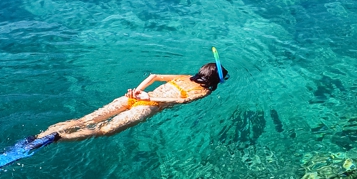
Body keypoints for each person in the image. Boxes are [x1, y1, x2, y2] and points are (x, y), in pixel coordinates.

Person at [36, 62, 228, 141]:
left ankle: (40, 136)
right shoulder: (204, 92)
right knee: (104, 131)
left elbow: (154, 76)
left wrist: (139, 91)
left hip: (132, 97)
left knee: (85, 119)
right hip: (147, 105)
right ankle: (59, 138)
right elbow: (179, 99)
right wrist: (149, 98)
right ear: (213, 81)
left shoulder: (185, 76)